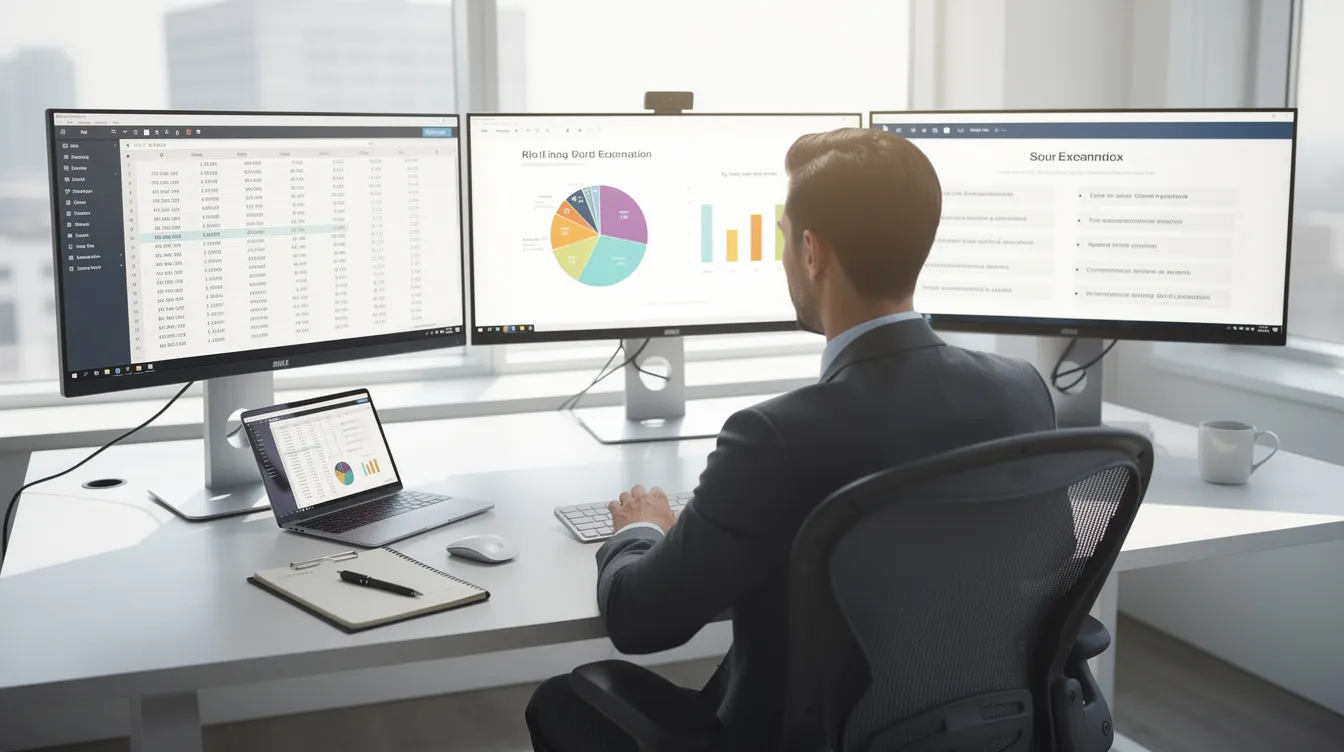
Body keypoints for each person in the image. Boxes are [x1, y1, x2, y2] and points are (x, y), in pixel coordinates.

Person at [525, 127, 1057, 751]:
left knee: (559, 703)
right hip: (978, 729)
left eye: (782, 237)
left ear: (811, 252)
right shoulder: (1021, 391)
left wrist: (639, 530)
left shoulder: (773, 438)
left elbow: (640, 621)